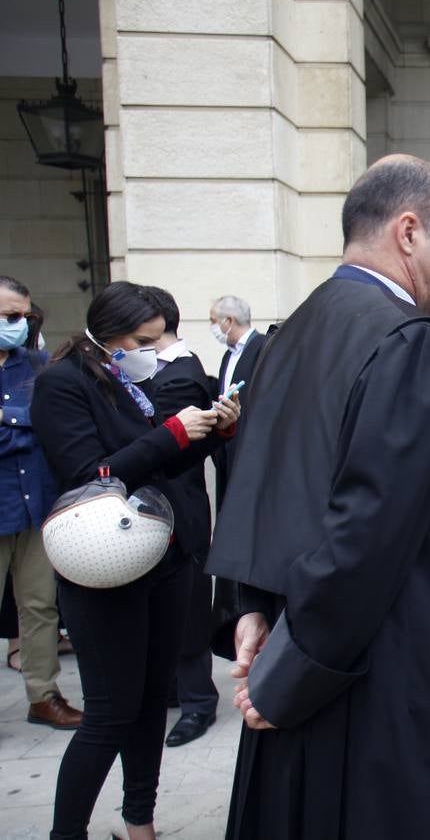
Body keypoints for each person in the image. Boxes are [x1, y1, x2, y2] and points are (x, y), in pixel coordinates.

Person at [205, 154, 430, 839]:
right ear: (408, 232)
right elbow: (368, 531)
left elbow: (263, 479)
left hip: (303, 638)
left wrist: (254, 606)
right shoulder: (412, 343)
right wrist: (290, 675)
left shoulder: (297, 327)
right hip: (382, 675)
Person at [32, 280, 240, 840]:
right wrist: (173, 432)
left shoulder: (127, 379)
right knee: (109, 714)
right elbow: (90, 475)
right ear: (108, 335)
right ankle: (67, 831)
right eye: (145, 340)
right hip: (104, 567)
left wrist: (211, 431)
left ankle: (138, 822)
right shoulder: (62, 384)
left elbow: (161, 464)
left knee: (152, 702)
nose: (156, 351)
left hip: (161, 555)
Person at [144, 286, 222, 748]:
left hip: (181, 509)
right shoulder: (157, 371)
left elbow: (167, 444)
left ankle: (198, 702)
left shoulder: (181, 375)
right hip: (158, 509)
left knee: (190, 609)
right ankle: (177, 689)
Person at [0, 275, 78, 729]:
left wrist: (10, 419)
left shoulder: (37, 363)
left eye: (24, 317)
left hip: (37, 507)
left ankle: (43, 696)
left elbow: (51, 421)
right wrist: (23, 427)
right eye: (10, 316)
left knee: (40, 606)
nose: (20, 325)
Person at [207, 295, 263, 505]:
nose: (212, 326)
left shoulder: (262, 347)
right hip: (227, 446)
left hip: (248, 449)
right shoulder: (228, 355)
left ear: (228, 321)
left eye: (213, 320)